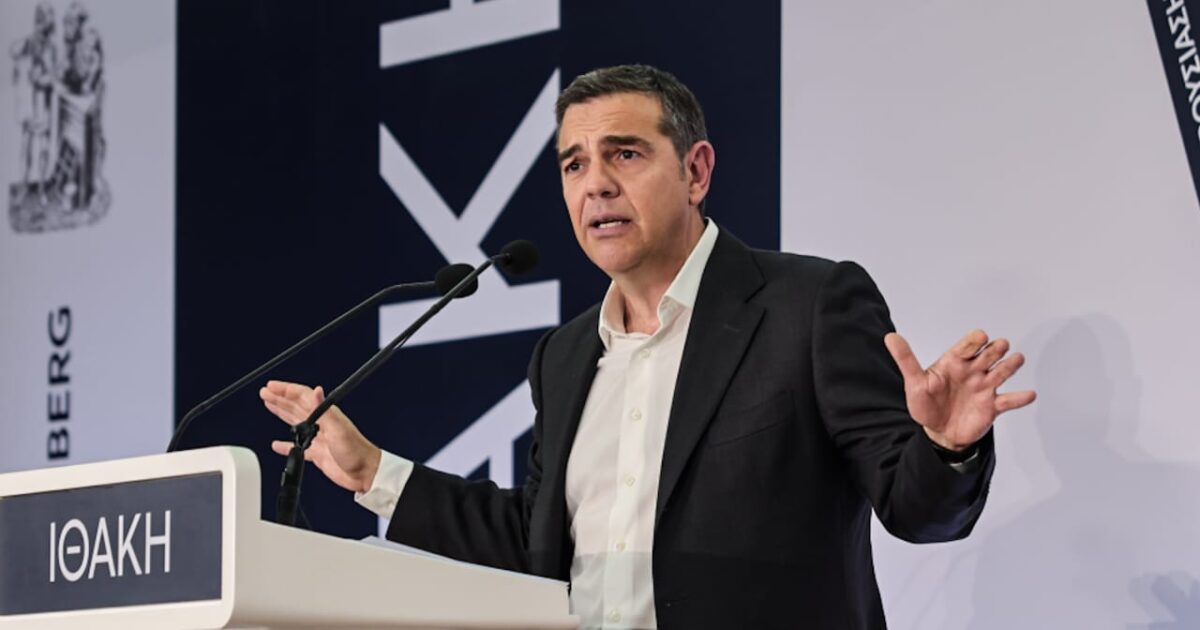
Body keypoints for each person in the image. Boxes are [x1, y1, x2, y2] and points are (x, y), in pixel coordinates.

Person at [261, 64, 1036, 629]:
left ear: (696, 172)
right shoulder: (565, 357)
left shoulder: (807, 305)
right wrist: (372, 473)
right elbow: (536, 540)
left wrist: (946, 447)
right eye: (574, 164)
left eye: (624, 154)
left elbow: (918, 511)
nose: (595, 183)